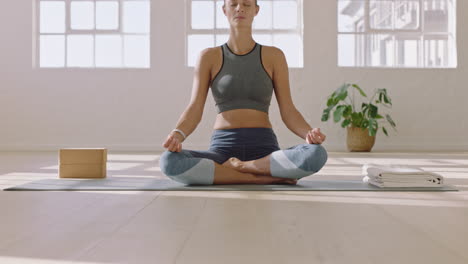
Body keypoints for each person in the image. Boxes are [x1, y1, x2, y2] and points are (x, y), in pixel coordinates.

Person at [160, 0, 328, 185]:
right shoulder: (209, 56)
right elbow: (194, 108)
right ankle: (265, 179)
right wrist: (177, 134)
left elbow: (288, 110)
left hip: (264, 149)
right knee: (169, 161)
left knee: (316, 154)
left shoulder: (274, 56)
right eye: (233, 4)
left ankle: (239, 168)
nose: (240, 8)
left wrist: (308, 134)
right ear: (225, 10)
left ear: (256, 10)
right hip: (223, 149)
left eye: (247, 4)